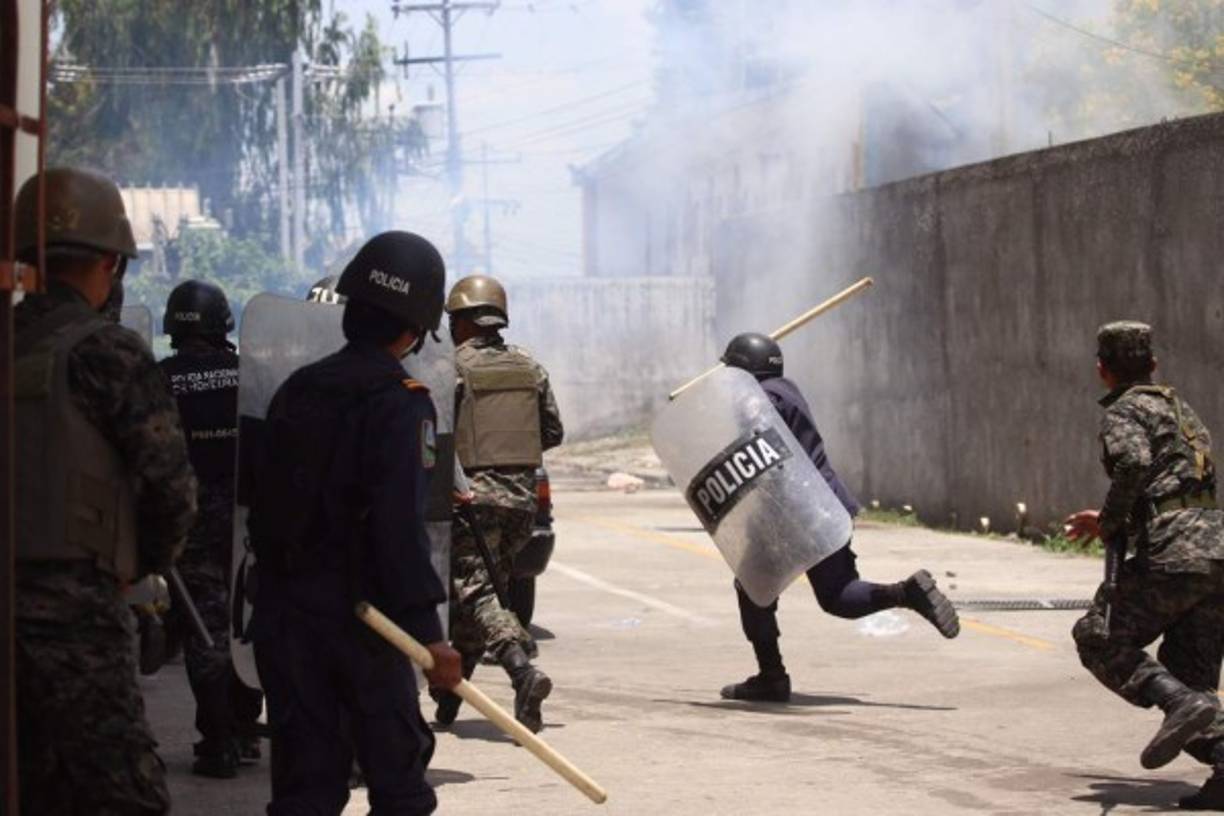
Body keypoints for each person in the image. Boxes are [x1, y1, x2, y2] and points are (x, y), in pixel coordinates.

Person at [245, 231, 462, 815]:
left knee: (305, 790)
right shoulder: (401, 401)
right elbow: (397, 529)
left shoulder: (296, 390)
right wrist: (431, 636)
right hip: (365, 626)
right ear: (415, 327)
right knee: (399, 787)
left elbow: (261, 506)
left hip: (287, 618)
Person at [13, 167, 198, 814]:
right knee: (123, 795)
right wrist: (137, 566)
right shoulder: (110, 353)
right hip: (77, 618)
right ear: (106, 265)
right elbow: (171, 494)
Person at [719, 332, 959, 703]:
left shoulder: (760, 400)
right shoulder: (787, 391)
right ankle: (905, 592)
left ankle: (771, 677)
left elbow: (760, 456)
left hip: (790, 512)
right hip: (825, 506)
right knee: (838, 595)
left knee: (752, 588)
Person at [1067, 321, 1224, 811]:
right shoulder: (1181, 411)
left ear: (1102, 369)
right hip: (1215, 551)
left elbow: (1134, 464)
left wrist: (1112, 523)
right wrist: (1121, 520)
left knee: (1098, 635)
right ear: (1153, 364)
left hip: (1173, 550)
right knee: (1187, 673)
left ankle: (1180, 704)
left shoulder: (1124, 411)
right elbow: (1178, 482)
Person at [432, 274, 563, 733]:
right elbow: (552, 433)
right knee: (482, 590)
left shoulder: (452, 369)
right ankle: (448, 700)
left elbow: (434, 436)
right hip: (522, 504)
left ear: (464, 322)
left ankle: (521, 670)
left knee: (477, 592)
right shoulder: (530, 367)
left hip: (471, 499)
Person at [158, 279, 264, 778]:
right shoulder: (249, 375)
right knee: (245, 626)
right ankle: (244, 730)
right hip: (247, 525)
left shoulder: (160, 379)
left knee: (205, 631)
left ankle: (218, 739)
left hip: (190, 525)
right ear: (222, 322)